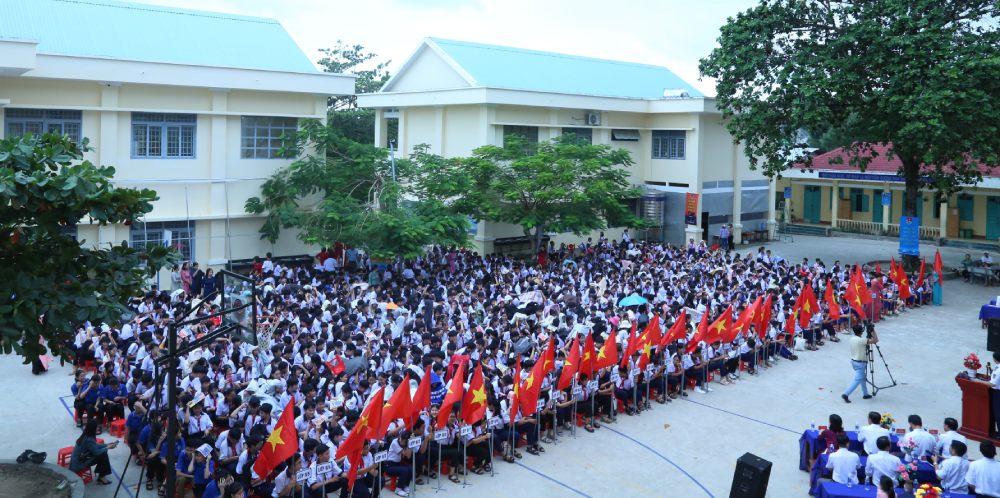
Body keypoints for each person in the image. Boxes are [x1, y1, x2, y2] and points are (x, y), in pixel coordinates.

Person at [69, 419, 120, 485]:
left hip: (80, 459)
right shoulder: (89, 439)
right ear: (93, 428)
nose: (98, 428)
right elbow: (97, 452)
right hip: (79, 464)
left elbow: (95, 446)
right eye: (97, 427)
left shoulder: (86, 435)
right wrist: (108, 447)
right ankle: (101, 477)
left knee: (103, 454)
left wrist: (107, 444)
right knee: (103, 455)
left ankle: (101, 474)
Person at [842, 323, 877, 403]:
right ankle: (846, 394)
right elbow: (875, 340)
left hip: (854, 362)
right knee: (857, 380)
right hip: (860, 363)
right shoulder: (862, 340)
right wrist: (873, 330)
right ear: (861, 332)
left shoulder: (852, 338)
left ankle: (865, 394)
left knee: (862, 378)